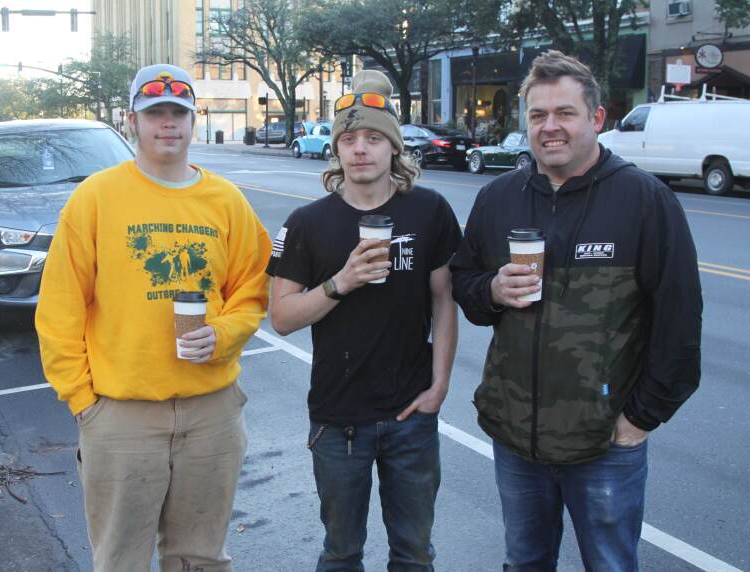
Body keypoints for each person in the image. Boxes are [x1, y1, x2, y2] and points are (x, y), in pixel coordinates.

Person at [450, 50, 702, 571]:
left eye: (565, 113)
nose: (550, 127)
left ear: (597, 118)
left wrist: (638, 420)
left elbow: (680, 327)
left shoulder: (644, 200)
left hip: (605, 444)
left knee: (609, 564)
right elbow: (465, 285)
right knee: (524, 563)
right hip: (515, 437)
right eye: (538, 115)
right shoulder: (499, 198)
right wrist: (493, 289)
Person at [35, 63, 271, 572]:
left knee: (200, 560)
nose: (168, 124)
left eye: (179, 113)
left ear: (193, 119)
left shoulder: (226, 201)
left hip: (211, 412)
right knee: (120, 560)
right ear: (131, 122)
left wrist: (225, 334)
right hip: (121, 414)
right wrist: (81, 399)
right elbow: (59, 308)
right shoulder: (95, 198)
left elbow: (251, 290)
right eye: (155, 113)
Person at [267, 70, 461, 572]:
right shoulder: (306, 222)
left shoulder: (429, 211)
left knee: (415, 554)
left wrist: (439, 385)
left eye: (373, 138)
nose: (360, 149)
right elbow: (282, 318)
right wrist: (341, 282)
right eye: (349, 139)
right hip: (338, 419)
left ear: (393, 147)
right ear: (336, 150)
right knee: (341, 553)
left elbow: (444, 302)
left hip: (410, 415)